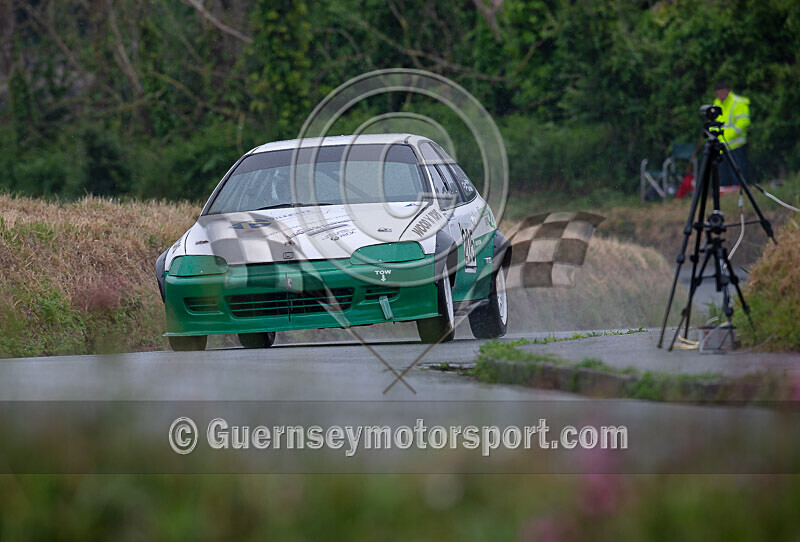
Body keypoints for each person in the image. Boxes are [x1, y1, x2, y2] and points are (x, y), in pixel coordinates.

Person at [713, 81, 751, 187]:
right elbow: (713, 123)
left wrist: (727, 136)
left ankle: (739, 192)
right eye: (718, 93)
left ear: (727, 91)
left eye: (721, 92)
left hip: (735, 146)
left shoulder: (737, 102)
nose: (720, 95)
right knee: (723, 178)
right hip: (721, 146)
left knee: (737, 175)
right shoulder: (716, 104)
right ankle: (726, 193)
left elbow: (743, 122)